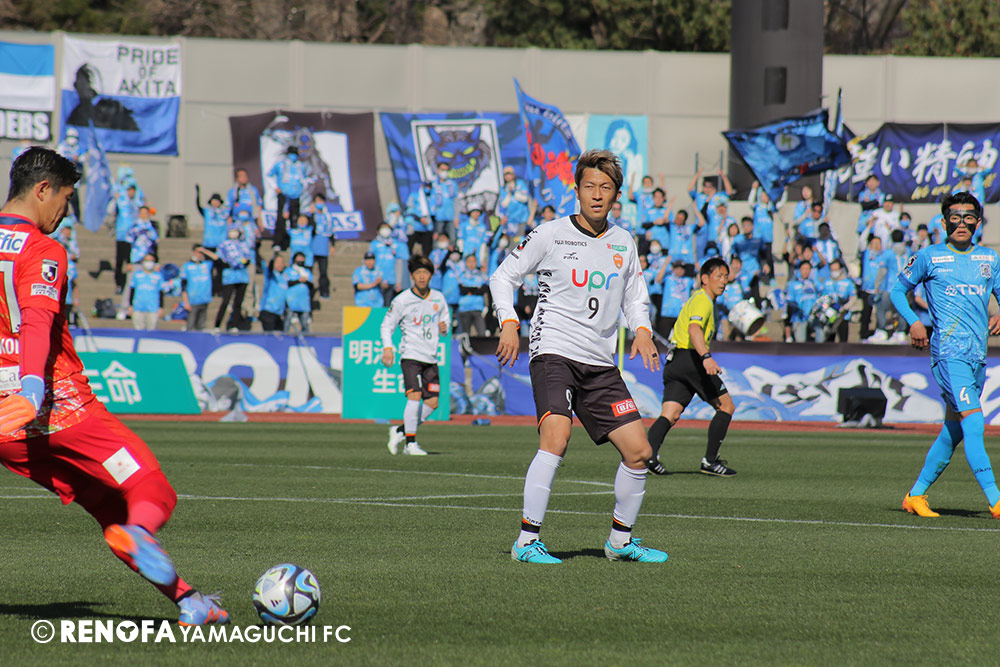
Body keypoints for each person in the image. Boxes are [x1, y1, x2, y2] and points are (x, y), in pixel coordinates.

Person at [0, 147, 229, 625]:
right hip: (54, 407)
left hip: (7, 431)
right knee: (151, 488)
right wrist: (32, 387)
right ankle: (143, 535)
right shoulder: (43, 250)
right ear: (42, 189)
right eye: (66, 198)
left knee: (110, 509)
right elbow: (37, 321)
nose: (66, 211)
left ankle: (190, 602)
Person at [490, 149, 667, 565]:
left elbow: (635, 298)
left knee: (639, 452)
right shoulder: (550, 233)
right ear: (577, 190)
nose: (597, 194)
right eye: (589, 186)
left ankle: (620, 542)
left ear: (616, 194)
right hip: (555, 350)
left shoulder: (624, 242)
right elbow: (503, 276)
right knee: (556, 437)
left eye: (605, 187)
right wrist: (509, 322)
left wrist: (642, 330)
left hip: (600, 363)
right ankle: (526, 542)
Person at [891, 192, 1000, 519]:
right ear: (944, 222)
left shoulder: (989, 259)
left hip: (977, 355)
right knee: (975, 422)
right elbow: (897, 291)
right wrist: (914, 322)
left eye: (969, 218)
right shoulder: (929, 257)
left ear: (978, 223)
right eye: (955, 217)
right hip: (949, 354)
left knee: (953, 431)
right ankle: (996, 501)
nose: (962, 224)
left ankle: (915, 496)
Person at [646, 257, 736, 477]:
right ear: (704, 279)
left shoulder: (700, 299)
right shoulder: (703, 300)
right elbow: (694, 329)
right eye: (718, 276)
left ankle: (647, 457)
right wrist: (706, 356)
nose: (723, 281)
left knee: (670, 414)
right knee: (726, 407)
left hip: (676, 361)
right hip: (691, 360)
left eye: (726, 276)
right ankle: (710, 461)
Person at [381, 255, 451, 457]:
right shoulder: (402, 300)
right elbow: (386, 325)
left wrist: (444, 328)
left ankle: (399, 430)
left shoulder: (438, 298)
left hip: (431, 357)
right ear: (411, 276)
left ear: (431, 276)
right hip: (411, 355)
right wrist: (388, 347)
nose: (421, 276)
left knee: (433, 403)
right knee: (415, 396)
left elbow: (445, 323)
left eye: (425, 273)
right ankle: (410, 444)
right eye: (418, 273)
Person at [214, 226, 252, 331]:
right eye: (232, 231)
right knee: (225, 301)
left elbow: (247, 259)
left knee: (238, 302)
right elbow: (219, 260)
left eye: (235, 231)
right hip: (229, 277)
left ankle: (235, 325)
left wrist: (242, 262)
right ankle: (217, 325)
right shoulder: (224, 244)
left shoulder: (243, 244)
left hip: (242, 276)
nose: (234, 233)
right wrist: (229, 264)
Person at [268, 146, 306, 250]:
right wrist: (275, 187)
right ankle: (278, 242)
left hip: (295, 196)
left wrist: (301, 189)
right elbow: (269, 175)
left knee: (295, 219)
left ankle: (293, 242)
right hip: (284, 196)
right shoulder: (281, 164)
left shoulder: (300, 166)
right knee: (281, 218)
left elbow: (303, 179)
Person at [195, 186, 228, 294]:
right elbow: (198, 207)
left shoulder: (224, 213)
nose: (215, 203)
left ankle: (220, 289)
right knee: (208, 268)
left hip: (221, 245)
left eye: (217, 201)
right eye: (214, 200)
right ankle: (209, 290)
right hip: (208, 244)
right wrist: (198, 194)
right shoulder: (207, 212)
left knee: (220, 269)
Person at [180, 245, 216, 332]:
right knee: (191, 325)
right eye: (197, 252)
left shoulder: (206, 265)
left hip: (204, 299)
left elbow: (217, 259)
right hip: (192, 300)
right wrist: (186, 302)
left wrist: (205, 251)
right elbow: (183, 285)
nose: (199, 254)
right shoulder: (187, 266)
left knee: (201, 326)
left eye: (201, 252)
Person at [310, 193, 336, 299]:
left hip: (323, 248)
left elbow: (331, 232)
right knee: (308, 271)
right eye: (317, 201)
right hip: (311, 248)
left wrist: (332, 246)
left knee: (323, 272)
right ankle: (309, 292)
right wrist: (311, 215)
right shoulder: (311, 215)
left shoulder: (328, 217)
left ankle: (324, 292)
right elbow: (310, 228)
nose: (319, 203)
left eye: (321, 201)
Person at [456, 254, 488, 336]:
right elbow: (463, 289)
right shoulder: (462, 275)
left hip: (477, 308)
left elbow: (483, 290)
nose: (471, 263)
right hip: (464, 308)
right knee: (465, 335)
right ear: (466, 263)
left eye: (473, 261)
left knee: (482, 334)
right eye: (469, 261)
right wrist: (476, 288)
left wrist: (470, 289)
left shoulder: (481, 275)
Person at [259, 253, 290, 332]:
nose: (280, 264)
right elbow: (267, 268)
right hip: (268, 311)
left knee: (280, 336)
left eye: (282, 262)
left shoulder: (284, 277)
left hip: (279, 313)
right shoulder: (270, 275)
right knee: (270, 336)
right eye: (278, 262)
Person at [285, 252, 313, 333]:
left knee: (305, 325)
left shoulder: (307, 272)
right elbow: (287, 282)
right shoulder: (289, 270)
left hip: (304, 303)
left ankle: (306, 338)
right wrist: (298, 280)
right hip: (291, 301)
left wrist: (305, 281)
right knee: (287, 323)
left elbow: (311, 285)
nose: (301, 260)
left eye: (302, 258)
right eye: (299, 258)